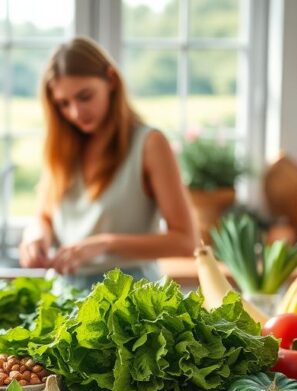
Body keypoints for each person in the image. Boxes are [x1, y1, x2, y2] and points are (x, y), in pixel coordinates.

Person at [18, 36, 197, 289]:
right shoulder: (62, 146)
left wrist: (105, 244)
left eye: (85, 96)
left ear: (111, 80)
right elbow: (44, 216)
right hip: (64, 295)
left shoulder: (150, 144)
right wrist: (35, 235)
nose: (76, 113)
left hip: (131, 299)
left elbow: (186, 242)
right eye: (63, 104)